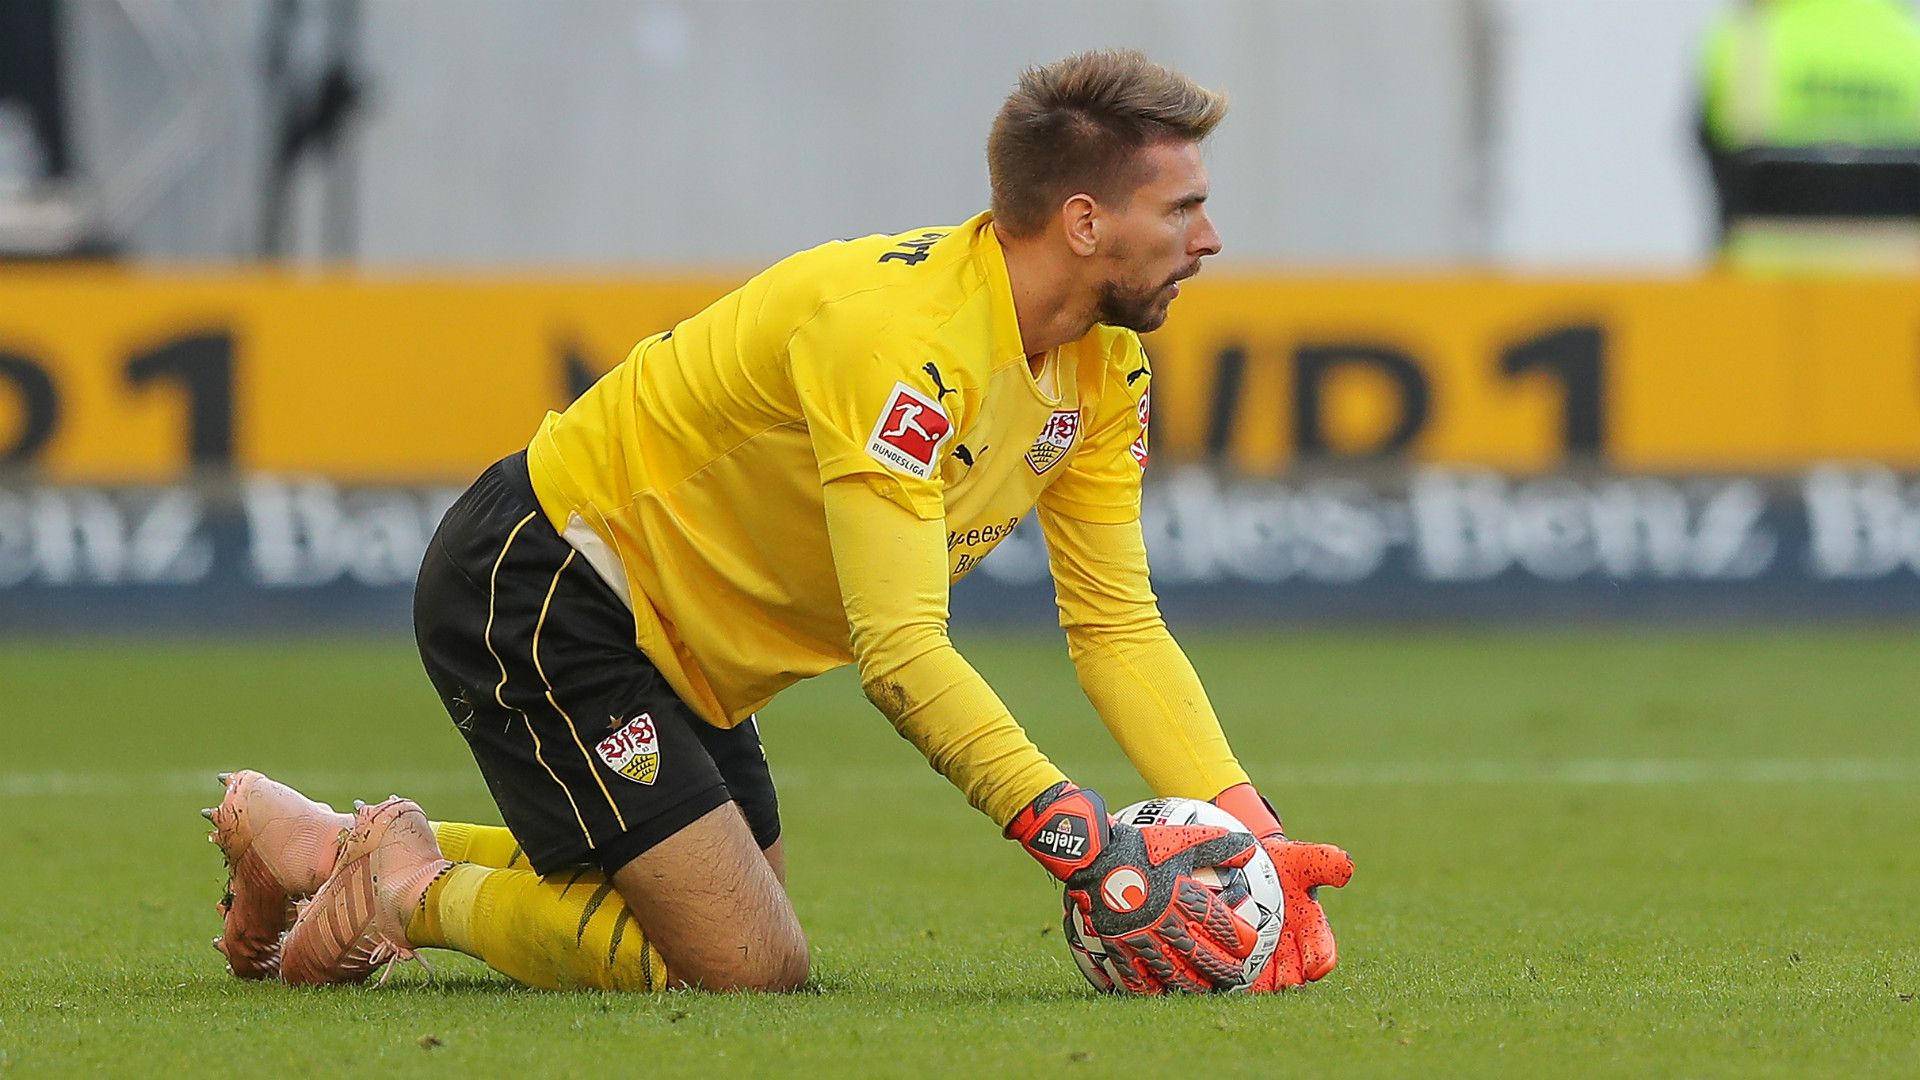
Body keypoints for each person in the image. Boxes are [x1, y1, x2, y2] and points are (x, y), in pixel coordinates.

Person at [203, 48, 1352, 996]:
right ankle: (403, 887)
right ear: (1087, 221)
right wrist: (1073, 834)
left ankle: (311, 845)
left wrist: (1254, 829)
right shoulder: (899, 342)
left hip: (690, 652)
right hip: (556, 583)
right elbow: (899, 651)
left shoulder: (1107, 367)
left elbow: (1114, 623)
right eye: (1186, 208)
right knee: (743, 964)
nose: (1209, 239)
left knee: (715, 909)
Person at [1697, 0, 1920, 271]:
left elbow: (1713, 164)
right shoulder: (1912, 43)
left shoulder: (1738, 46)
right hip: (1901, 290)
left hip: (1763, 290)